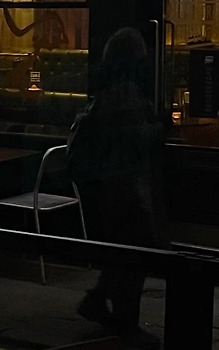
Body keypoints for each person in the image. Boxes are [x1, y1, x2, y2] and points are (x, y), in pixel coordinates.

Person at [69, 27, 167, 350]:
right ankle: (127, 326)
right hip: (126, 185)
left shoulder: (106, 90)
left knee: (123, 252)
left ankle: (98, 300)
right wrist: (160, 127)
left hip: (106, 186)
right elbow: (136, 138)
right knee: (135, 255)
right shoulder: (128, 93)